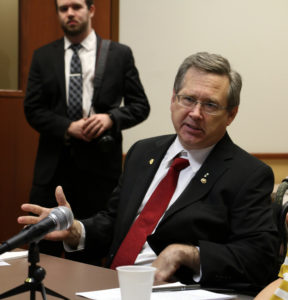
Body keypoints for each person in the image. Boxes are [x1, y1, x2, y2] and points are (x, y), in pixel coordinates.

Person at [19, 51, 278, 288]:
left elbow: (260, 258)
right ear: (173, 99)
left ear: (231, 114)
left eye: (210, 105)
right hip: (108, 286)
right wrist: (77, 230)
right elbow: (114, 221)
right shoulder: (143, 152)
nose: (195, 113)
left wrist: (187, 254)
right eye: (187, 99)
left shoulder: (248, 174)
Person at [24, 0, 150, 259]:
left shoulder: (118, 54)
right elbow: (33, 109)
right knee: (44, 247)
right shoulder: (43, 55)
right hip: (53, 171)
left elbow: (141, 106)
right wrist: (68, 126)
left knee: (92, 249)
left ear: (91, 10)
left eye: (76, 6)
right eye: (63, 8)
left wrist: (111, 118)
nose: (70, 13)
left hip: (100, 172)